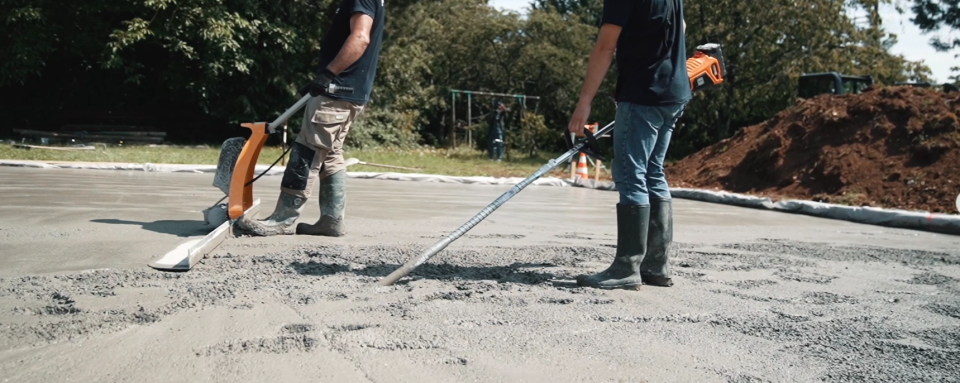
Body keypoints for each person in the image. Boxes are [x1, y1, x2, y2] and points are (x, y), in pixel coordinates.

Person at [567, 0, 691, 290]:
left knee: (630, 172)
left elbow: (605, 47)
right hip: (674, 91)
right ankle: (656, 266)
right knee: (652, 172)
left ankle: (627, 267)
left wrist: (585, 102)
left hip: (644, 93)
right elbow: (681, 27)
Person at [235, 0, 385, 237]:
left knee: (307, 151)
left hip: (338, 90)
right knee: (331, 154)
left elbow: (360, 37)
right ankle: (331, 220)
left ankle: (282, 219)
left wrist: (329, 74)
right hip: (348, 91)